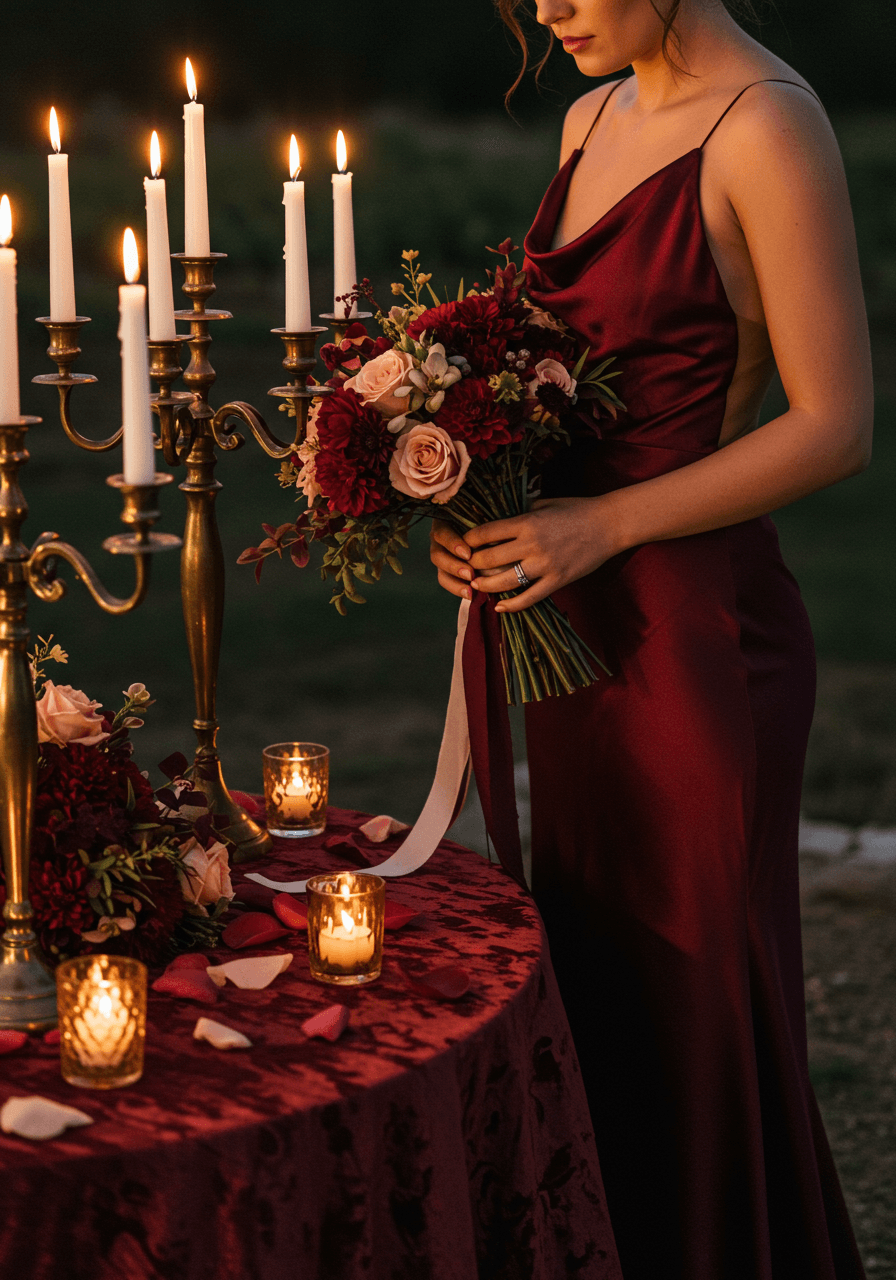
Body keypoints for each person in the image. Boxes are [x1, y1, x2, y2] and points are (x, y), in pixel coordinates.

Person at [430, 1, 873, 1275]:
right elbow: (553, 384)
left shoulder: (766, 128)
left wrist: (600, 527)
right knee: (596, 978)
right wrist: (474, 504)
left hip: (694, 644)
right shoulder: (589, 114)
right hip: (573, 623)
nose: (544, 10)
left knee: (695, 997)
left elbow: (833, 424)